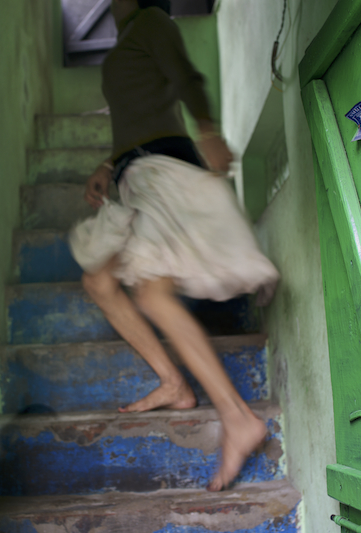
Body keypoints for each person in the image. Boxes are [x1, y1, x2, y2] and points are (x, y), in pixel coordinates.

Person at [68, 0, 280, 492]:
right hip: (134, 175)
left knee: (153, 293)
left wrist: (206, 129)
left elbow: (186, 77)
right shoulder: (128, 42)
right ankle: (175, 383)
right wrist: (108, 163)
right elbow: (141, 110)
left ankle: (238, 418)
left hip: (162, 171)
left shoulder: (153, 22)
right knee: (99, 280)